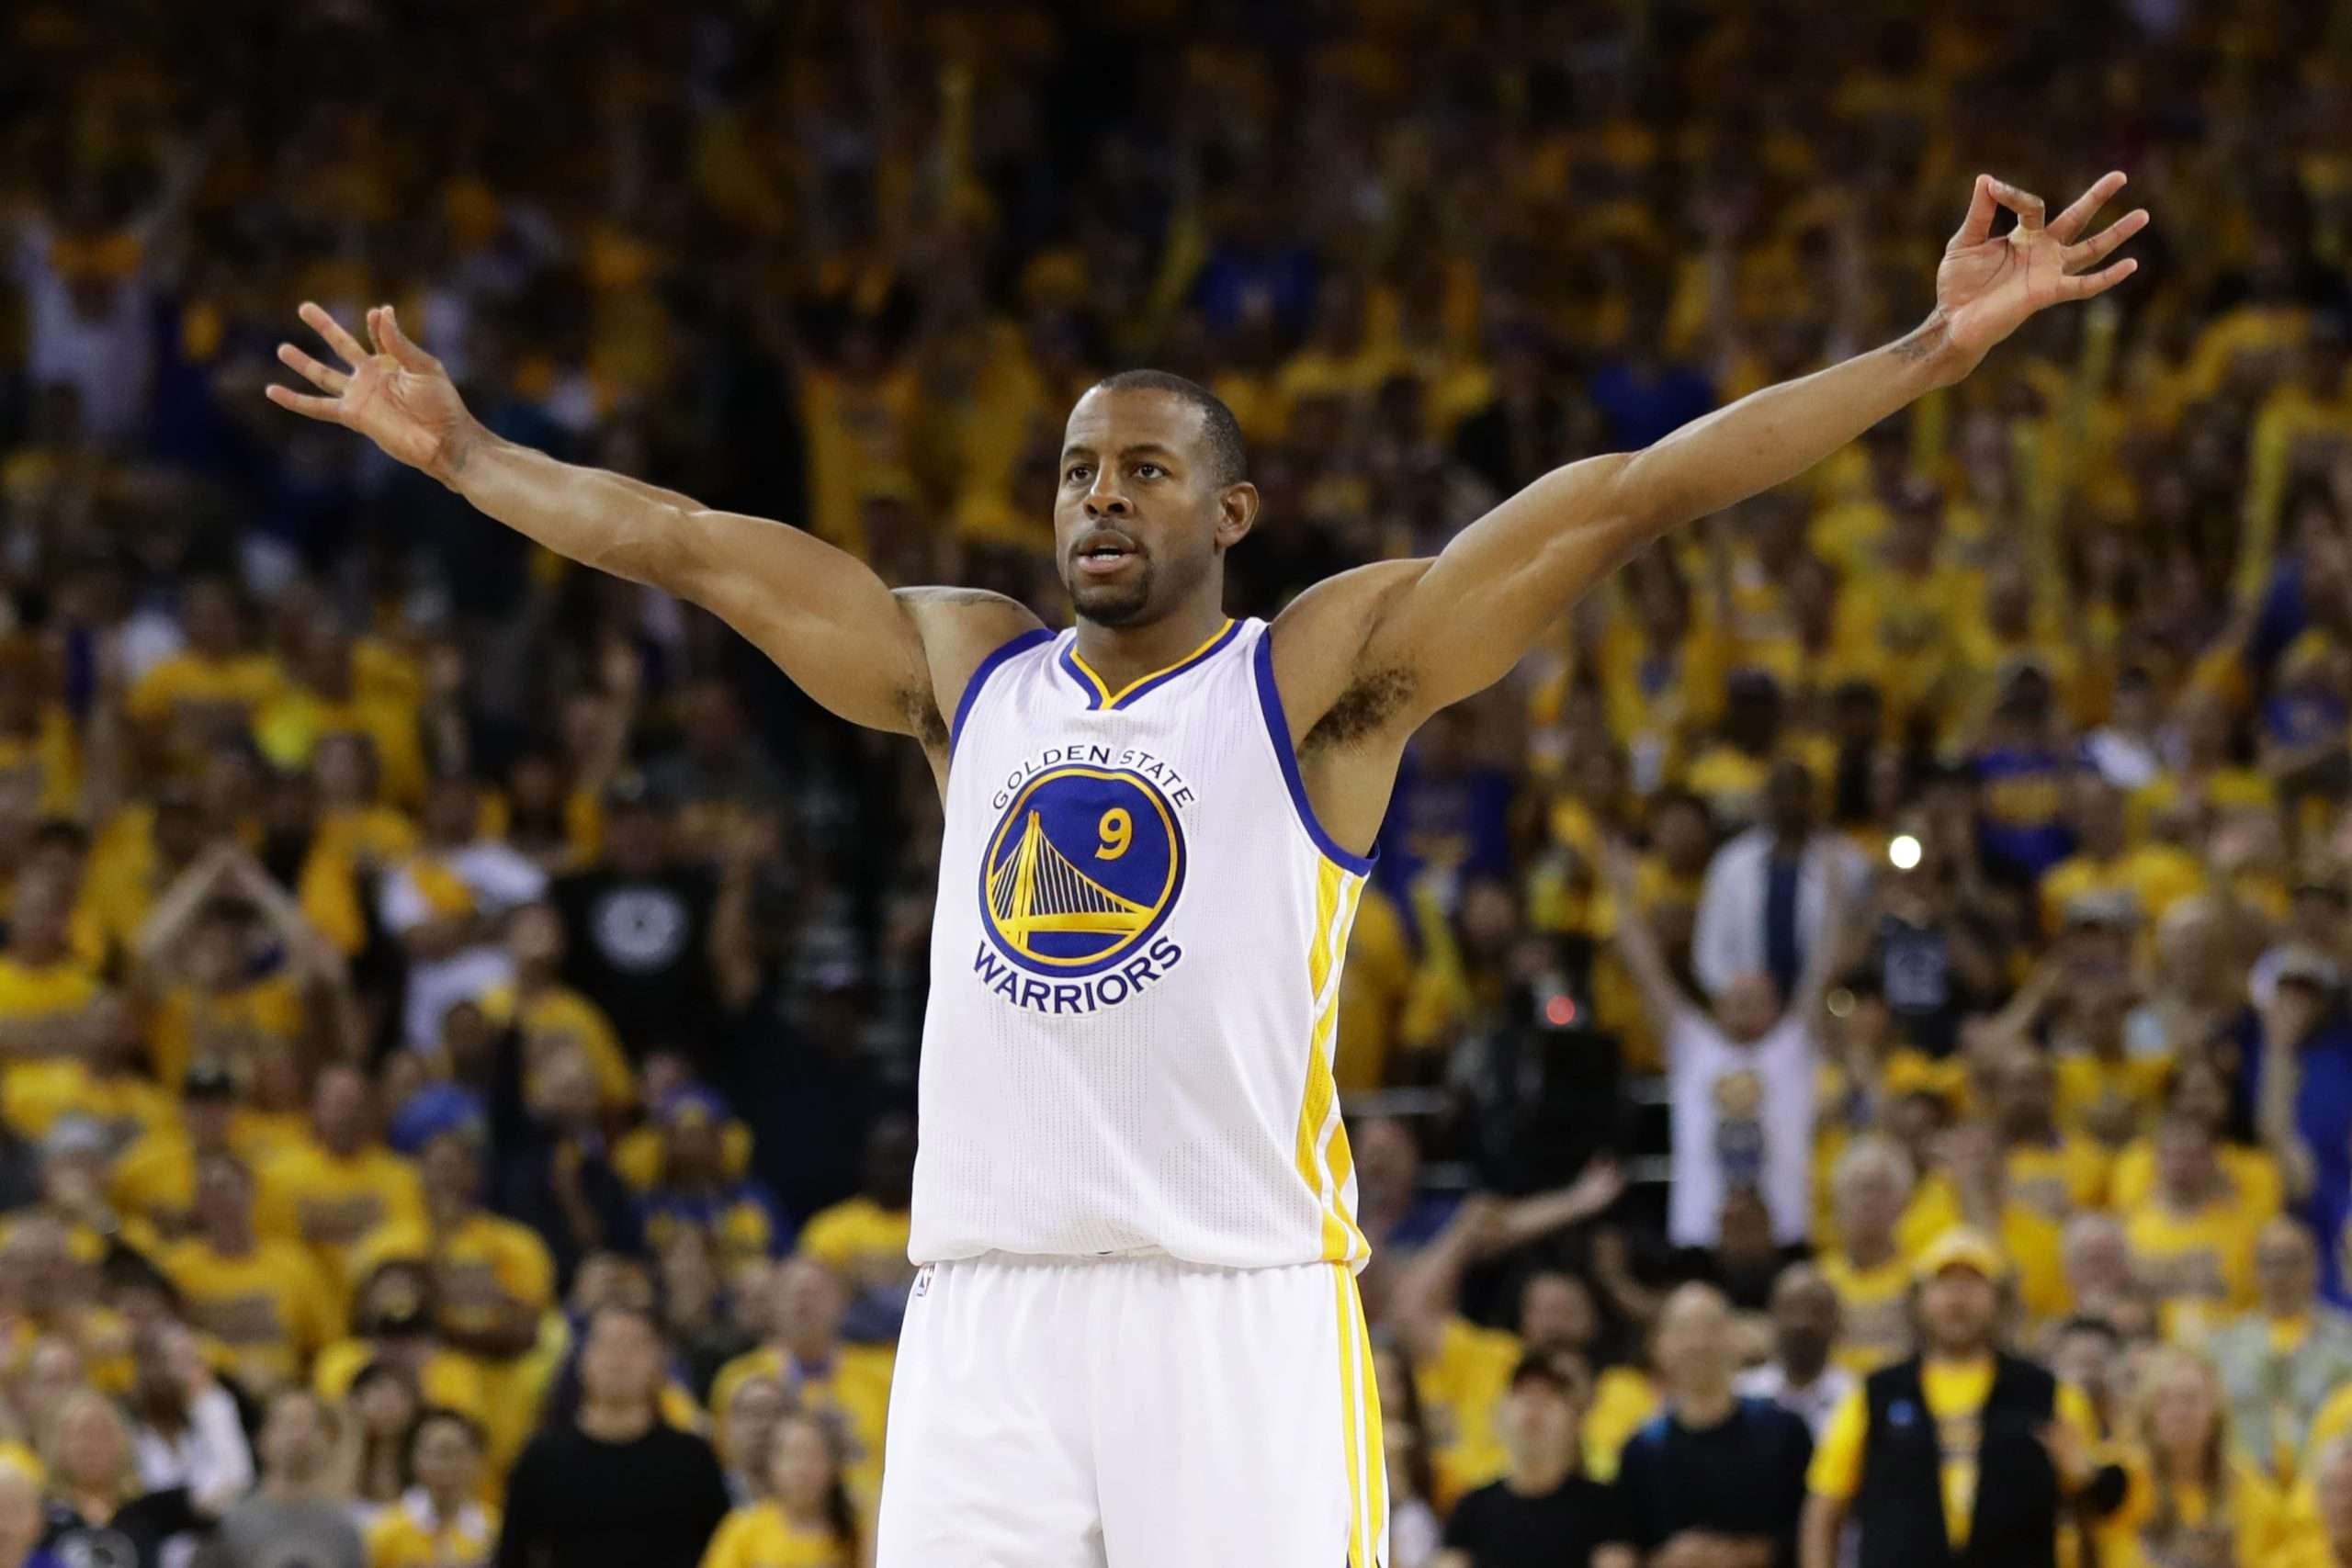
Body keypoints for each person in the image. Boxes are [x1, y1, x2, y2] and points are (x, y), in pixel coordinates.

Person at [272, 166, 2146, 1564]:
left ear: (1230, 510)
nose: (1099, 493)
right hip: (984, 1304)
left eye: (1146, 470)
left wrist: (1928, 347)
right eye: (1080, 466)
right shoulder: (966, 671)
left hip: (1235, 1301)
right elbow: (689, 544)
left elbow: (1627, 493)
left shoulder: (1321, 678)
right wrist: (469, 456)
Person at [1801, 1229, 2123, 1568]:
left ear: (2000, 1299)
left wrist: (2087, 1476)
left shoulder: (2050, 1394)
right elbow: (1824, 1511)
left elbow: (2094, 1516)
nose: (1958, 1299)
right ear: (1918, 1299)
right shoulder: (1873, 1395)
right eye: (1944, 1284)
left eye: (1972, 1284)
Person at [1608, 837, 1845, 1248]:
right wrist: (1623, 897)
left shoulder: (1791, 1045)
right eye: (1735, 1001)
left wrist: (1836, 895)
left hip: (1783, 1232)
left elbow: (1825, 965)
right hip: (1700, 1231)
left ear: (1776, 1008)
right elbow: (1645, 969)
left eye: (1756, 1001)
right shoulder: (1693, 1045)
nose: (1745, 1009)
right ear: (1716, 1007)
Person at [496, 1303, 730, 1568]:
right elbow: (512, 1555)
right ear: (582, 1359)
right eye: (606, 1344)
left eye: (634, 1346)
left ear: (659, 1363)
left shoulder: (692, 1458)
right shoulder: (541, 1459)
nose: (618, 1358)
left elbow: (720, 1554)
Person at [1615, 1284, 1815, 1567]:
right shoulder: (1639, 1452)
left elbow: (1813, 1532)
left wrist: (1740, 1555)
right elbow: (1628, 1548)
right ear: (1658, 1346)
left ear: (1736, 1338)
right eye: (1683, 1330)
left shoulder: (1784, 1431)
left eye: (1711, 1327)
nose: (1698, 1343)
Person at [1434, 1350, 1635, 1568]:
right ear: (1499, 1416)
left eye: (1550, 1396)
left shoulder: (1604, 1507)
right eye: (1524, 1394)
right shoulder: (1471, 1509)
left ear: (1575, 1421)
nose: (1534, 1407)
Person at [2106, 1346, 2290, 1568]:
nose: (2179, 1412)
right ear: (2148, 1411)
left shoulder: (2253, 1493)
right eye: (2164, 1400)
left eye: (2191, 1399)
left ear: (2215, 1412)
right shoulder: (2120, 1482)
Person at [2205, 1219, 2352, 1482]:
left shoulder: (2345, 1342)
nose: (2279, 1273)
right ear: (2254, 1270)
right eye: (2269, 1262)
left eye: (2291, 1261)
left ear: (2315, 1267)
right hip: (2247, 1490)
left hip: (2326, 1491)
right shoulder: (2221, 1347)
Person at [38, 1388, 208, 1568]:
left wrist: (200, 1388)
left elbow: (222, 1487)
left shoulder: (148, 1510)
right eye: (80, 1434)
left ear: (123, 1442)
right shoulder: (41, 1517)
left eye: (102, 1434)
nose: (91, 1446)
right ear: (57, 1444)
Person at [207, 1389, 366, 1568]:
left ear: (327, 1442)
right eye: (289, 1423)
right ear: (262, 1439)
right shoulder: (231, 1524)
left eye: (311, 1425)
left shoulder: (344, 1530)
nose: (300, 1435)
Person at [699, 1410, 865, 1568]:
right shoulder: (743, 1529)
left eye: (812, 1455)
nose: (801, 1469)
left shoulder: (857, 1534)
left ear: (834, 1465)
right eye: (791, 1455)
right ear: (771, 1463)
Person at [365, 1407, 498, 1568]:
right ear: (414, 1459)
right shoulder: (385, 1530)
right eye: (438, 1453)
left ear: (478, 1459)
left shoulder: (494, 1530)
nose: (447, 1464)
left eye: (457, 1452)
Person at [1739, 1265, 1857, 1439]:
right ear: (1772, 1316)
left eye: (1817, 1310)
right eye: (1791, 1309)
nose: (1803, 1323)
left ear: (1837, 1321)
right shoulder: (1744, 1395)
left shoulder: (1854, 1396)